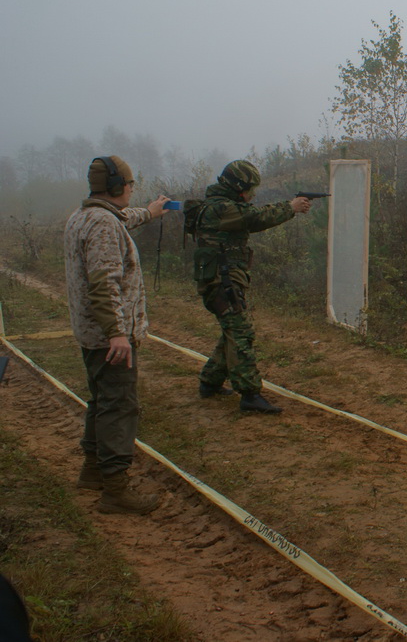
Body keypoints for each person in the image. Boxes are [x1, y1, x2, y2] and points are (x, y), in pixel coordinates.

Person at [64, 155, 170, 515]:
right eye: (129, 184)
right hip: (109, 337)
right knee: (120, 406)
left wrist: (151, 212)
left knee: (102, 401)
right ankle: (115, 490)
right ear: (116, 186)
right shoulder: (103, 224)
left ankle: (93, 471)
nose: (131, 189)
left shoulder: (85, 216)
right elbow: (103, 282)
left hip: (92, 334)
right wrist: (118, 334)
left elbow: (124, 218)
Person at [190, 160, 312, 414]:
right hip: (221, 282)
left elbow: (251, 216)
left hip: (221, 280)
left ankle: (210, 381)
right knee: (241, 332)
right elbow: (256, 218)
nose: (251, 194)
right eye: (249, 189)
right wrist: (291, 207)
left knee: (232, 330)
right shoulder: (222, 208)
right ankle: (249, 394)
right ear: (237, 187)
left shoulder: (217, 204)